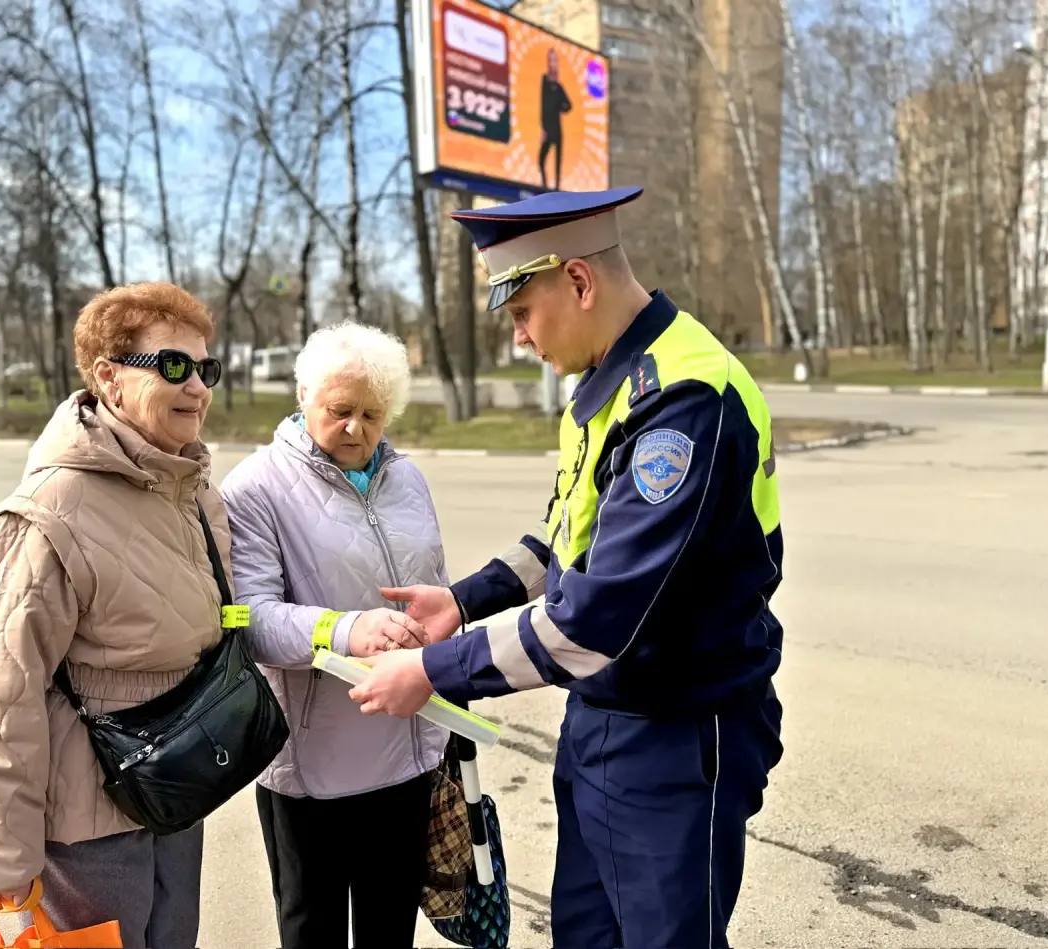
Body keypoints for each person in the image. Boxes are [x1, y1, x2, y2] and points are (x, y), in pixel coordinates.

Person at [348, 187, 786, 949]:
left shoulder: (683, 399)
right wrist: (463, 600)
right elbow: (569, 541)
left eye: (522, 312)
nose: (520, 337)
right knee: (586, 935)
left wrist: (432, 669)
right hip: (605, 718)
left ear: (579, 281)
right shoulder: (607, 382)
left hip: (678, 730)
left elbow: (594, 621)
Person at [0, 282, 231, 949]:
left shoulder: (192, 490)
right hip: (89, 832)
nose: (197, 386)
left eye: (207, 368)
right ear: (109, 378)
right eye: (175, 365)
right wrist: (5, 866)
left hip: (175, 795)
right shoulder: (48, 511)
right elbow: (5, 700)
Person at [220, 323, 449, 949]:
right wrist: (348, 629)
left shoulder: (407, 479)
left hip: (409, 748)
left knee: (391, 932)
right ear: (303, 396)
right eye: (340, 410)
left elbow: (435, 586)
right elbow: (249, 618)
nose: (356, 428)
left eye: (372, 415)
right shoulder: (255, 488)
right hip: (311, 765)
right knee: (312, 931)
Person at [539, 47, 572, 190]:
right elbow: (543, 105)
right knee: (541, 160)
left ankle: (556, 189)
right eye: (551, 60)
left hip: (557, 130)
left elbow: (569, 105)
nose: (553, 63)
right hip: (548, 129)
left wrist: (560, 107)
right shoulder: (544, 81)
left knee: (557, 163)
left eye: (555, 60)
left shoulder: (559, 87)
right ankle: (544, 187)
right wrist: (543, 128)